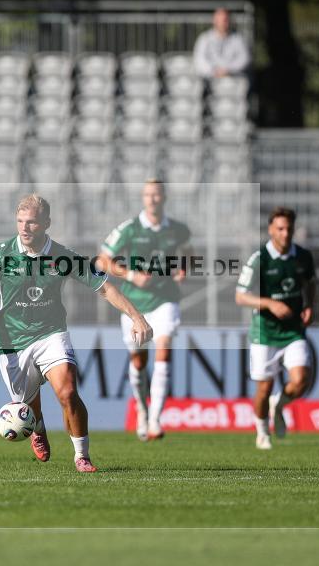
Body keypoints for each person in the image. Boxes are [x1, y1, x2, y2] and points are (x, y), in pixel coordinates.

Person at [0, 193, 153, 473]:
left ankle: (82, 456)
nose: (25, 228)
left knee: (67, 391)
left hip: (51, 333)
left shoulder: (63, 256)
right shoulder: (2, 254)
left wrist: (137, 317)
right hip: (11, 341)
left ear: (46, 223)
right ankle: (37, 427)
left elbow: (105, 288)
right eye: (20, 222)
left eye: (32, 223)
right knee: (28, 407)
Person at [96, 180, 192, 442]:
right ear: (143, 198)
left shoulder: (178, 230)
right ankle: (142, 407)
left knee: (164, 351)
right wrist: (131, 275)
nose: (152, 199)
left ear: (164, 197)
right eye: (148, 194)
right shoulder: (129, 229)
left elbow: (187, 254)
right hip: (135, 304)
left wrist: (183, 268)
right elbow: (101, 261)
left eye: (157, 194)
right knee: (139, 361)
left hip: (166, 299)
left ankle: (155, 420)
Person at [235, 207, 316, 450]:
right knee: (264, 386)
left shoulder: (303, 256)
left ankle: (278, 405)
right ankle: (262, 432)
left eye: (289, 228)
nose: (285, 233)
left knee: (301, 380)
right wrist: (269, 303)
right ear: (271, 229)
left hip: (293, 330)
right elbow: (241, 296)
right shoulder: (259, 259)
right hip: (265, 332)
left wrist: (310, 305)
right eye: (280, 228)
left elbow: (311, 283)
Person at [193, 7, 251, 79]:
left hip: (234, 79)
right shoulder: (204, 38)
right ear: (215, 21)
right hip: (210, 79)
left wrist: (228, 70)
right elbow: (199, 60)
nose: (223, 23)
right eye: (221, 20)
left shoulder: (238, 39)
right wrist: (213, 71)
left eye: (226, 20)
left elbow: (244, 58)